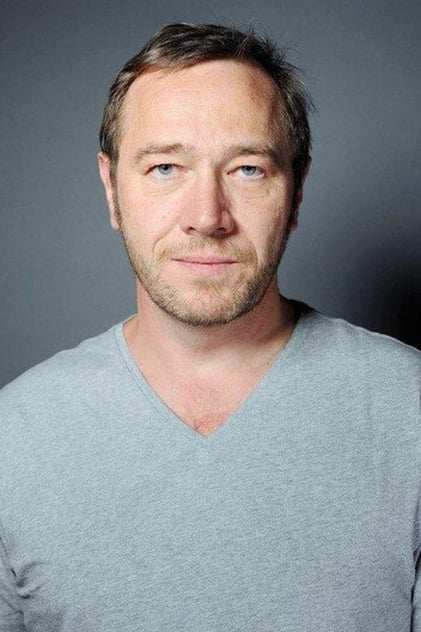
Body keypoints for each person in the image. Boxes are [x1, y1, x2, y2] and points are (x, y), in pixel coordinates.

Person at [0, 22, 420, 632]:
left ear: (297, 192)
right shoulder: (13, 440)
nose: (207, 216)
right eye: (166, 167)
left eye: (248, 169)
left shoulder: (410, 412)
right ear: (111, 189)